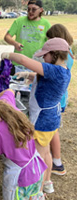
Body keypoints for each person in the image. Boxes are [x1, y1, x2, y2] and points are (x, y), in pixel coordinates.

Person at [1, 37, 73, 194]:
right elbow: (43, 78)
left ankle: (37, 192)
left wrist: (7, 55)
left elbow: (23, 59)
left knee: (38, 159)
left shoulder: (55, 70)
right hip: (52, 119)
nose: (42, 58)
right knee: (45, 151)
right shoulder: (64, 70)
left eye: (45, 55)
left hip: (43, 121)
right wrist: (28, 75)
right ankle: (47, 183)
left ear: (54, 54)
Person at [46, 24, 74, 176]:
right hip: (60, 98)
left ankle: (57, 162)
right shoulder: (68, 53)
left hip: (56, 99)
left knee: (52, 131)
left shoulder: (64, 57)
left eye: (51, 39)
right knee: (53, 130)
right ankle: (55, 159)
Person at [4, 0, 51, 74]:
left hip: (36, 66)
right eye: (28, 9)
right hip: (18, 65)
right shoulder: (19, 21)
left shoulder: (46, 24)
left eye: (34, 9)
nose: (30, 12)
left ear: (41, 10)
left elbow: (51, 43)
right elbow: (7, 37)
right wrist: (15, 43)